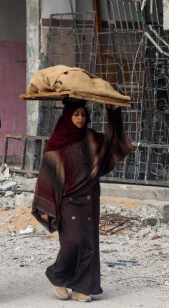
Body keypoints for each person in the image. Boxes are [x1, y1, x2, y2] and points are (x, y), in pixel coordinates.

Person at [32, 99, 133, 302]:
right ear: (68, 115)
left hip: (90, 196)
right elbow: (48, 174)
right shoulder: (57, 142)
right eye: (76, 114)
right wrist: (45, 206)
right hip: (68, 200)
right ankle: (58, 277)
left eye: (83, 115)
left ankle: (82, 287)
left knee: (89, 243)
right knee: (72, 241)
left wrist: (113, 113)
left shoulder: (91, 138)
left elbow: (113, 141)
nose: (80, 118)